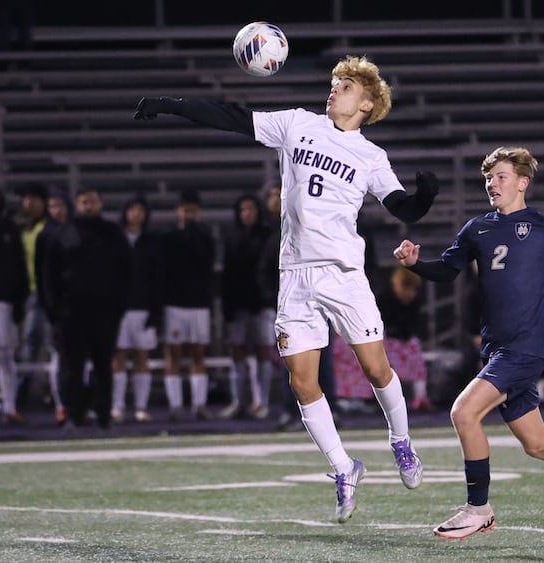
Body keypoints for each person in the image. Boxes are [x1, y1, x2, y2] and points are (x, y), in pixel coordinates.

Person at [133, 54, 439, 522]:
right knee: (302, 381)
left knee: (377, 369)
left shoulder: (371, 156)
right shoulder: (297, 124)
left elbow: (403, 209)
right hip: (295, 273)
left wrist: (425, 196)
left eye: (346, 86)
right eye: (335, 82)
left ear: (368, 103)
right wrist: (170, 104)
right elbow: (232, 117)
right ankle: (344, 467)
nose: (334, 89)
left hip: (342, 273)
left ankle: (401, 441)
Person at [393, 146, 544, 539]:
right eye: (489, 178)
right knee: (538, 444)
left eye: (501, 177)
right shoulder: (477, 229)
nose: (492, 184)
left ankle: (478, 509)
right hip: (496, 350)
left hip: (524, 350)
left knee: (463, 413)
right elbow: (448, 269)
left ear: (523, 183)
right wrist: (415, 264)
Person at [42, 188, 131, 429]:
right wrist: (55, 309)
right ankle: (73, 414)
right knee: (72, 365)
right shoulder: (63, 234)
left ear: (100, 203)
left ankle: (103, 414)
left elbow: (125, 272)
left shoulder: (113, 234)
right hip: (71, 312)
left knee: (103, 364)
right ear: (76, 204)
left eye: (92, 201)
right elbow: (50, 275)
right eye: (84, 202)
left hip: (105, 311)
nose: (88, 206)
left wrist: (119, 307)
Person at [333, 267, 433, 411]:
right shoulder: (381, 298)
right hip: (380, 340)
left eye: (413, 289)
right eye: (406, 288)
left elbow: (415, 326)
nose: (409, 293)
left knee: (414, 348)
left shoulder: (415, 302)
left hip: (401, 343)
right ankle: (365, 398)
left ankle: (420, 397)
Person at [160, 188, 216, 421]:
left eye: (193, 211)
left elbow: (207, 262)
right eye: (185, 210)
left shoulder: (205, 237)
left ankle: (198, 404)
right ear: (178, 211)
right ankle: (175, 406)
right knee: (173, 354)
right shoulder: (169, 237)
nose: (189, 214)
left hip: (199, 303)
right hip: (175, 303)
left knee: (198, 353)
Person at [111, 195, 163, 423]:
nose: (136, 214)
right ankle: (117, 406)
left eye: (140, 210)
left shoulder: (151, 242)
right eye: (132, 209)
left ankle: (141, 407)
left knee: (142, 357)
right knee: (119, 357)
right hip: (119, 308)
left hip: (144, 308)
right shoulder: (115, 240)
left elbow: (158, 277)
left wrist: (155, 310)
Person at [219, 194, 270, 419]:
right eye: (243, 209)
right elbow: (227, 274)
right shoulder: (231, 236)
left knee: (262, 351)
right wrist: (227, 306)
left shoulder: (267, 235)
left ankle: (262, 402)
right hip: (238, 303)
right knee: (237, 352)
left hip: (261, 303)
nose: (247, 214)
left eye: (251, 209)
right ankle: (238, 401)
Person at [34, 186, 74, 425]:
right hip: (57, 306)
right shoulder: (45, 236)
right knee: (59, 355)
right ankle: (61, 406)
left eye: (60, 205)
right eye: (52, 206)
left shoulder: (78, 232)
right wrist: (50, 305)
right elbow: (43, 275)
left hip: (80, 304)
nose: (56, 210)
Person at [0, 182, 29, 425]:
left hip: (4, 302)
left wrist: (19, 301)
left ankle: (10, 406)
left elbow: (19, 267)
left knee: (6, 354)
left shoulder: (9, 228)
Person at [16, 183, 50, 410]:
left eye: (34, 199)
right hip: (28, 293)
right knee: (27, 346)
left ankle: (54, 396)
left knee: (50, 345)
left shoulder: (51, 229)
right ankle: (22, 396)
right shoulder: (21, 230)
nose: (29, 203)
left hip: (48, 294)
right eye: (26, 199)